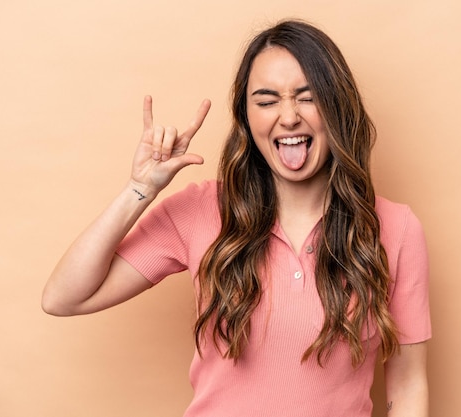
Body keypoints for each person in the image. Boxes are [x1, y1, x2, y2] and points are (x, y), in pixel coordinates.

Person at [42, 19, 431, 417]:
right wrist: (139, 189)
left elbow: (407, 384)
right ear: (247, 118)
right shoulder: (200, 210)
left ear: (337, 106)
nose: (289, 116)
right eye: (266, 101)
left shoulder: (396, 229)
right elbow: (64, 298)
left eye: (307, 97)